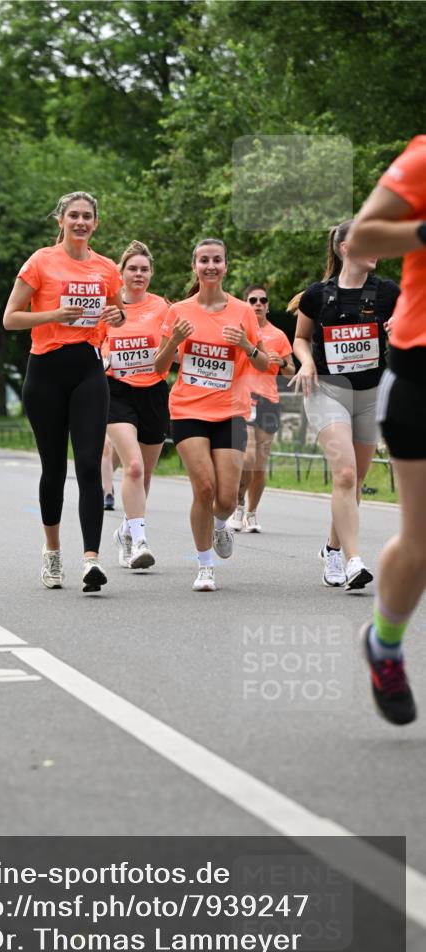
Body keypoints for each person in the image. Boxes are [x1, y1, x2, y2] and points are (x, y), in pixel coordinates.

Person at [3, 190, 125, 593]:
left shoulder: (107, 268)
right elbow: (10, 319)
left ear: (96, 223)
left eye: (87, 216)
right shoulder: (41, 262)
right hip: (46, 371)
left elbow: (116, 314)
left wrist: (117, 314)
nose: (80, 222)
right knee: (54, 468)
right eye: (73, 215)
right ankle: (52, 553)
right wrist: (54, 314)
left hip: (88, 369)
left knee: (89, 464)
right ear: (60, 220)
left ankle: (91, 560)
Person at [349, 134, 426, 725]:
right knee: (421, 543)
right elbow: (364, 237)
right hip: (420, 371)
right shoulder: (423, 157)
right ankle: (385, 643)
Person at [289, 221, 400, 590]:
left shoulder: (388, 293)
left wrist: (399, 331)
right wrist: (305, 361)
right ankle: (354, 561)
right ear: (345, 248)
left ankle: (332, 548)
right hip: (327, 391)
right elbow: (301, 339)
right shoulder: (317, 295)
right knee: (346, 475)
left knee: (354, 481)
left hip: (370, 396)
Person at [155, 238, 267, 591]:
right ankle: (205, 565)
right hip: (188, 409)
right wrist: (173, 341)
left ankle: (220, 526)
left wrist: (246, 346)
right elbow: (158, 368)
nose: (210, 266)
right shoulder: (179, 312)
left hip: (231, 411)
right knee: (203, 489)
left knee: (226, 498)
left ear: (225, 266)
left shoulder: (242, 312)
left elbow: (265, 364)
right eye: (204, 260)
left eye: (217, 260)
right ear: (195, 266)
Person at [100, 240, 170, 569]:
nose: (138, 274)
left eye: (144, 269)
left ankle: (125, 531)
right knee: (133, 466)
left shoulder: (162, 308)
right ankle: (140, 539)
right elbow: (96, 349)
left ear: (151, 274)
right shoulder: (109, 308)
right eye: (132, 269)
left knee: (145, 476)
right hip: (116, 391)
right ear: (121, 273)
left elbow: (173, 351)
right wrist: (102, 360)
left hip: (153, 392)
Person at [229, 285, 295, 533]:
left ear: (268, 305)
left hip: (269, 399)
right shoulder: (238, 332)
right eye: (252, 300)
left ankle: (252, 513)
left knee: (260, 463)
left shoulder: (278, 335)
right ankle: (237, 504)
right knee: (247, 457)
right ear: (246, 303)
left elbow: (292, 370)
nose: (258, 304)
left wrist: (283, 364)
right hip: (243, 398)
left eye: (262, 300)